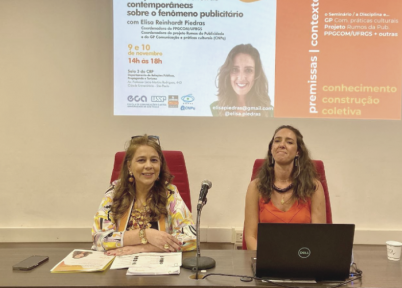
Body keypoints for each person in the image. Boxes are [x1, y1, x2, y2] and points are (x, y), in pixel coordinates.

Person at [92, 135, 196, 255]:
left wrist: (143, 248)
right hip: (119, 266)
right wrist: (145, 234)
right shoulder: (114, 192)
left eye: (154, 160)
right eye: (141, 160)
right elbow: (98, 239)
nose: (148, 166)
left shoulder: (169, 193)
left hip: (160, 267)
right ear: (129, 166)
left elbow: (191, 238)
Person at [244, 125, 326, 250]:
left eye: (289, 142)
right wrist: (265, 259)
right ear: (271, 149)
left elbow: (319, 236)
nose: (281, 145)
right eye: (277, 141)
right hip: (265, 261)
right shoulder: (255, 187)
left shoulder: (314, 187)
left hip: (302, 258)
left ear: (298, 151)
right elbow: (250, 236)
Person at [210, 44, 273, 117]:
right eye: (234, 69)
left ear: (256, 74)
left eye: (248, 70)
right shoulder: (214, 109)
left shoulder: (270, 112)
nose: (241, 78)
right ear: (228, 74)